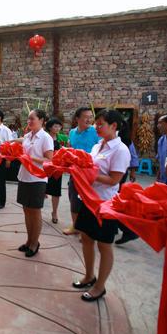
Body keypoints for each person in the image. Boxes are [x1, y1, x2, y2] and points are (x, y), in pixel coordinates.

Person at [73, 109, 130, 302]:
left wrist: (90, 175)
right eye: (95, 123)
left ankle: (100, 286)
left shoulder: (120, 150)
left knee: (104, 245)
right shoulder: (98, 145)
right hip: (88, 200)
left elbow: (114, 180)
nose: (96, 127)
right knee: (86, 238)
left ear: (114, 126)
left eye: (100, 124)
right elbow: (90, 166)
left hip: (105, 203)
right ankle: (89, 276)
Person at [15, 109, 54, 257]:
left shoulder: (45, 137)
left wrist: (30, 158)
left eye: (32, 119)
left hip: (37, 179)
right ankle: (29, 240)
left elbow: (49, 159)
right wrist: (12, 143)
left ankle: (35, 243)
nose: (29, 121)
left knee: (35, 211)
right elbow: (22, 144)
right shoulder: (28, 135)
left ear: (42, 120)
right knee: (26, 210)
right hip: (24, 176)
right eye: (28, 119)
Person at [65, 107, 100, 235]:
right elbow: (70, 148)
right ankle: (76, 227)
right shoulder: (72, 132)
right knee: (73, 199)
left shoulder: (95, 132)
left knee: (88, 201)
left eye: (90, 117)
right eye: (86, 117)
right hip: (75, 172)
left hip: (90, 173)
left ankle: (87, 231)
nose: (89, 119)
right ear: (77, 119)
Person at [115, 141, 140, 245]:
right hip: (111, 172)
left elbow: (133, 156)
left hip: (117, 173)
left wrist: (133, 172)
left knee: (112, 203)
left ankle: (129, 230)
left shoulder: (124, 140)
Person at [45, 117, 63, 224]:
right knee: (42, 189)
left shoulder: (62, 138)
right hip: (46, 168)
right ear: (49, 127)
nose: (57, 128)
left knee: (56, 192)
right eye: (55, 126)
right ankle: (37, 211)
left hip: (57, 169)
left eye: (59, 126)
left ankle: (54, 212)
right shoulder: (45, 138)